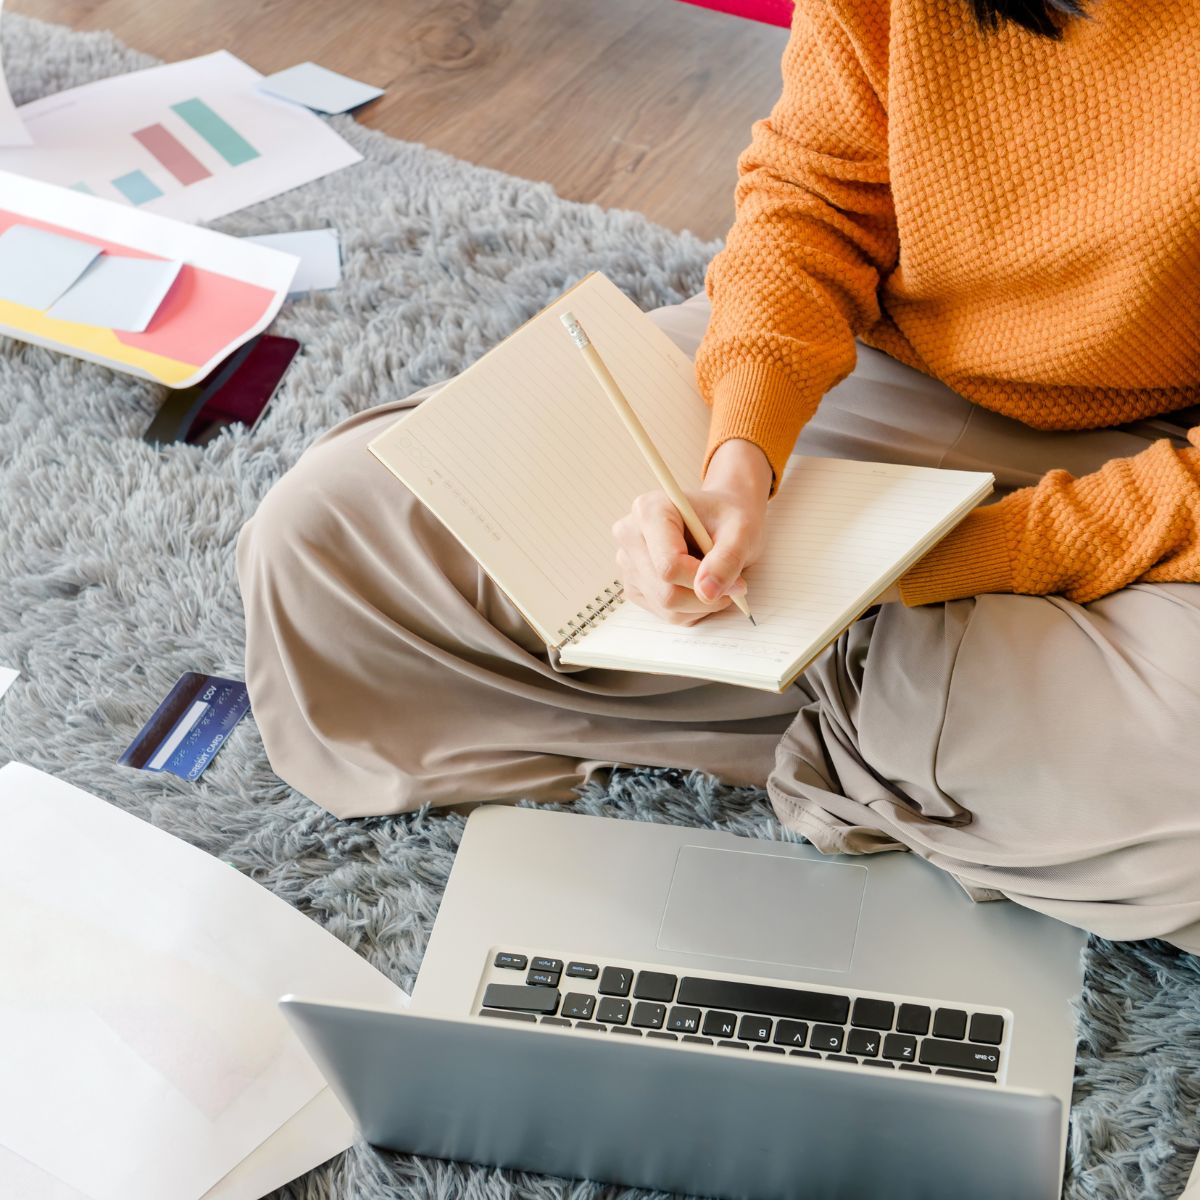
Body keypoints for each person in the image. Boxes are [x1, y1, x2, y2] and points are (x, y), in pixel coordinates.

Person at [237, 0, 1200, 951]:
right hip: (879, 366)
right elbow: (814, 198)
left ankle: (852, 680)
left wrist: (946, 558)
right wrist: (740, 454)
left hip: (1163, 457)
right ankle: (920, 715)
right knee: (324, 540)